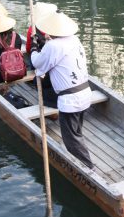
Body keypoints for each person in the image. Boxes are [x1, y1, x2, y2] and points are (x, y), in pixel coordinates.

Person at [31, 11, 94, 169]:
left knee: (70, 139)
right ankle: (84, 161)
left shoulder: (53, 46)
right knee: (76, 132)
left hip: (71, 100)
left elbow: (38, 63)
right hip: (85, 93)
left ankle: (88, 167)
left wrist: (33, 49)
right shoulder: (75, 40)